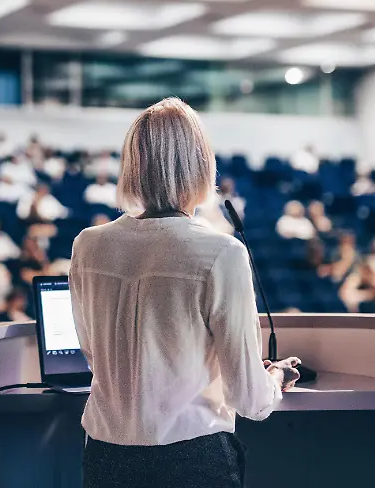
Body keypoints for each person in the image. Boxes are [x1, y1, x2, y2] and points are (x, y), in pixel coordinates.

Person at [69, 98, 300, 488]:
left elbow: (96, 353)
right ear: (200, 165)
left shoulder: (88, 245)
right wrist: (273, 378)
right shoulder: (221, 252)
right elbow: (250, 400)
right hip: (193, 459)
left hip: (106, 457)